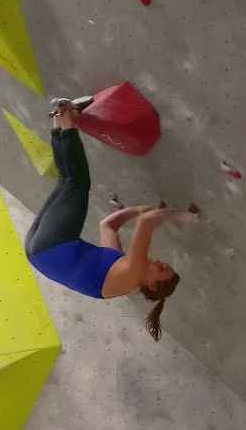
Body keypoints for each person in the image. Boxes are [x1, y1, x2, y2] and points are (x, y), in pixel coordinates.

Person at [24, 98, 196, 340]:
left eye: (161, 268)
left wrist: (183, 215)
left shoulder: (134, 274)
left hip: (54, 247)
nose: (159, 261)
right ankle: (59, 115)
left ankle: (68, 114)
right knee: (66, 180)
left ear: (151, 284)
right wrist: (142, 208)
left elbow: (147, 223)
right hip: (38, 252)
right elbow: (109, 225)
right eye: (164, 263)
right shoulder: (119, 272)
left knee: (77, 181)